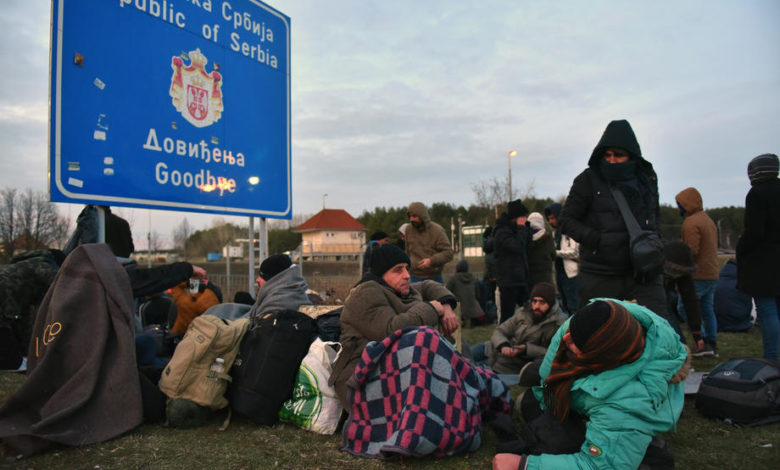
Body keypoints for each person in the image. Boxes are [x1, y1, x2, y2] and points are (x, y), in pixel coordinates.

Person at [493, 298, 688, 470]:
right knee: (533, 404)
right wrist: (549, 408)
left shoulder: (629, 400)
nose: (566, 340)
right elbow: (549, 375)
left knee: (558, 443)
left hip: (617, 411)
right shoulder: (593, 321)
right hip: (591, 393)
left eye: (577, 345)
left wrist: (524, 465)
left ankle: (642, 446)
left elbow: (599, 466)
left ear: (602, 356)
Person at [559, 119, 680, 337]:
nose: (612, 161)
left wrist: (656, 244)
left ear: (632, 155)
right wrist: (597, 239)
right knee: (595, 338)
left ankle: (663, 370)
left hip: (643, 270)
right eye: (607, 155)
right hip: (600, 273)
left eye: (619, 155)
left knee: (661, 334)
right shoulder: (587, 180)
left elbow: (654, 217)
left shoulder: (646, 179)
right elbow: (566, 220)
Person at [329, 243, 459, 409]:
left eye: (407, 269)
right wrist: (432, 308)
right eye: (398, 270)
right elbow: (391, 331)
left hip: (391, 372)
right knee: (425, 338)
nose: (406, 275)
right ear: (381, 274)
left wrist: (446, 306)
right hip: (362, 380)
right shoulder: (365, 294)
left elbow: (428, 285)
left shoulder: (396, 288)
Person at [737, 153, 780, 360]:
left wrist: (741, 248)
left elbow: (755, 231)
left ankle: (772, 358)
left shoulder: (757, 194)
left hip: (763, 263)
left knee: (767, 311)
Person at [472, 282, 565, 375]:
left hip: (513, 363)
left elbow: (555, 353)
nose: (536, 306)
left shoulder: (558, 324)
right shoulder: (523, 312)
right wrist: (503, 345)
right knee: (462, 356)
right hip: (492, 349)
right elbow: (500, 330)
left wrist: (526, 349)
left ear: (550, 303)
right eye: (534, 301)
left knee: (472, 373)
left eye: (542, 302)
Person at [675, 187, 720, 355]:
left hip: (698, 274)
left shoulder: (691, 223)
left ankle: (700, 340)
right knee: (708, 310)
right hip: (712, 273)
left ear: (686, 204)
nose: (677, 207)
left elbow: (690, 251)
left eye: (679, 204)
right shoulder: (707, 219)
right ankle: (711, 342)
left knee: (683, 308)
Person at [205, 254, 311, 320]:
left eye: (262, 276)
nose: (257, 279)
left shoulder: (275, 305)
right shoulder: (295, 294)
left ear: (274, 281)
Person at [662, 240, 707, 355]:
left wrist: (696, 333)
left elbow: (690, 300)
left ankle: (679, 350)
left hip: (666, 295)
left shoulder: (684, 274)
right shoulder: (649, 267)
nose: (676, 275)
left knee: (669, 309)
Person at [494, 199, 531, 323]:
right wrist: (521, 228)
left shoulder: (515, 231)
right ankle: (504, 339)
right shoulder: (502, 232)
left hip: (520, 279)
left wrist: (525, 229)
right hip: (508, 281)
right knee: (507, 316)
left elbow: (526, 245)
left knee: (528, 312)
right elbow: (517, 247)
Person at [404, 202, 454, 283]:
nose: (411, 219)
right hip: (414, 277)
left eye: (414, 216)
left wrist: (432, 261)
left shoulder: (437, 231)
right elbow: (407, 252)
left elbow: (448, 253)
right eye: (410, 216)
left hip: (434, 277)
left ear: (422, 216)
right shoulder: (408, 230)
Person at [544, 203, 579, 314]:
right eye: (549, 219)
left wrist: (556, 253)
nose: (551, 222)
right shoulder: (555, 233)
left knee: (574, 305)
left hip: (571, 274)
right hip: (559, 274)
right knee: (565, 304)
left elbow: (575, 252)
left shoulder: (570, 231)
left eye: (553, 218)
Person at [446, 259, 487, 327]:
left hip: (458, 307)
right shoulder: (473, 278)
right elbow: (478, 294)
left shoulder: (453, 279)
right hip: (472, 309)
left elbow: (447, 292)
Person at [526, 212, 556, 289]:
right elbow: (553, 254)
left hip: (529, 274)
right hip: (545, 274)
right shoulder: (547, 235)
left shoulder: (525, 236)